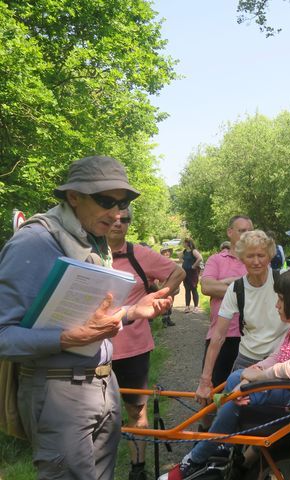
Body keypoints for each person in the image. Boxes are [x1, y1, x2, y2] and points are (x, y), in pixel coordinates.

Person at [0, 155, 172, 479]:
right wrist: (67, 338)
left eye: (122, 203)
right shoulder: (34, 241)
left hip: (105, 384)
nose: (117, 212)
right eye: (106, 200)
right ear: (74, 196)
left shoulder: (93, 240)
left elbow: (89, 318)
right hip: (58, 392)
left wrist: (134, 311)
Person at [159, 268, 290, 480]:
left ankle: (199, 456)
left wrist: (255, 380)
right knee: (238, 379)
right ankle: (218, 446)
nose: (276, 305)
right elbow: (277, 357)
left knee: (238, 393)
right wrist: (253, 371)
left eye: (281, 300)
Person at [107, 208, 185, 480]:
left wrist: (160, 297)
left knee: (135, 409)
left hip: (133, 347)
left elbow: (178, 271)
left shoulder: (138, 254)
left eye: (125, 219)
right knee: (93, 414)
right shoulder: (85, 251)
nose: (118, 223)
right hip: (92, 349)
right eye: (113, 217)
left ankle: (137, 469)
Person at [196, 230, 289, 404]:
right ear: (241, 258)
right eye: (250, 256)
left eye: (261, 255)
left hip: (280, 360)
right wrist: (205, 380)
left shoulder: (284, 281)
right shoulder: (236, 289)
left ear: (269, 256)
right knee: (229, 410)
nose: (256, 261)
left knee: (272, 417)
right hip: (247, 359)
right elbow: (218, 336)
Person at [201, 215, 253, 387]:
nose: (247, 235)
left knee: (247, 393)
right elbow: (207, 287)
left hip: (252, 337)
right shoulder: (216, 260)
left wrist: (227, 282)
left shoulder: (258, 260)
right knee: (211, 391)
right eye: (242, 231)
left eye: (250, 231)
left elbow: (265, 293)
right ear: (230, 232)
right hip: (221, 337)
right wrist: (245, 289)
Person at [180, 238, 203, 313]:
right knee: (187, 289)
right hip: (185, 272)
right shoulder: (185, 251)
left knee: (194, 289)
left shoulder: (193, 251)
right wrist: (184, 262)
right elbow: (181, 258)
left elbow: (200, 258)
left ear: (187, 243)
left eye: (184, 243)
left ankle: (196, 307)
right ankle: (187, 307)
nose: (183, 244)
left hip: (192, 273)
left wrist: (194, 266)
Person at [159, 247, 177, 327]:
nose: (167, 253)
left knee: (170, 302)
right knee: (164, 303)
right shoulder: (159, 262)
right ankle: (164, 321)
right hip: (163, 284)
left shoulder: (172, 263)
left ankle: (168, 318)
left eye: (168, 252)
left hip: (171, 284)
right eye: (164, 252)